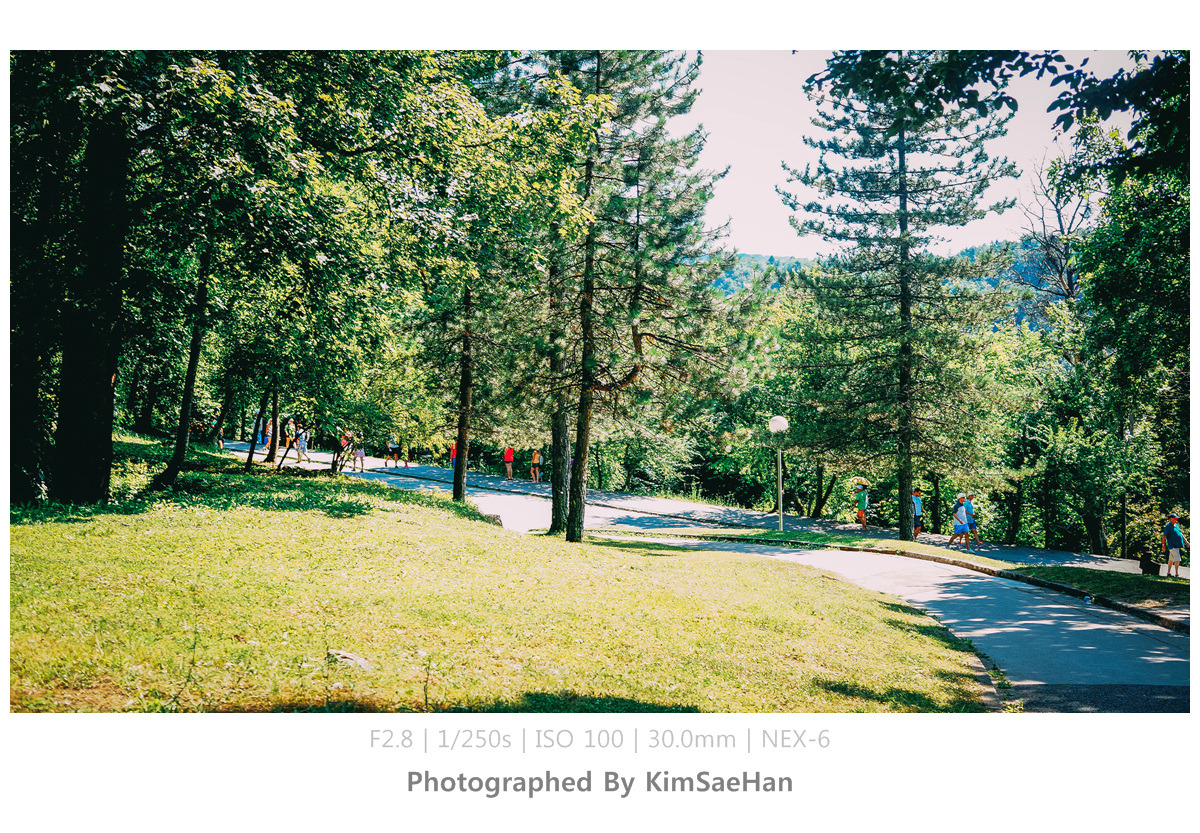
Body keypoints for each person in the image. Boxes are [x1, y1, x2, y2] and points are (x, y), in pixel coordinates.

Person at [1162, 512, 1189, 578]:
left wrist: (1186, 541)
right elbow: (1164, 536)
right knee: (1178, 559)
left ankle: (1168, 573)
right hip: (1172, 545)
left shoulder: (1176, 525)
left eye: (1177, 518)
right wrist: (1163, 545)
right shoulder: (1168, 526)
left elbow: (1180, 533)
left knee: (1171, 559)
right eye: (1175, 518)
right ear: (1171, 519)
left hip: (1177, 545)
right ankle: (1176, 574)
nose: (1176, 519)